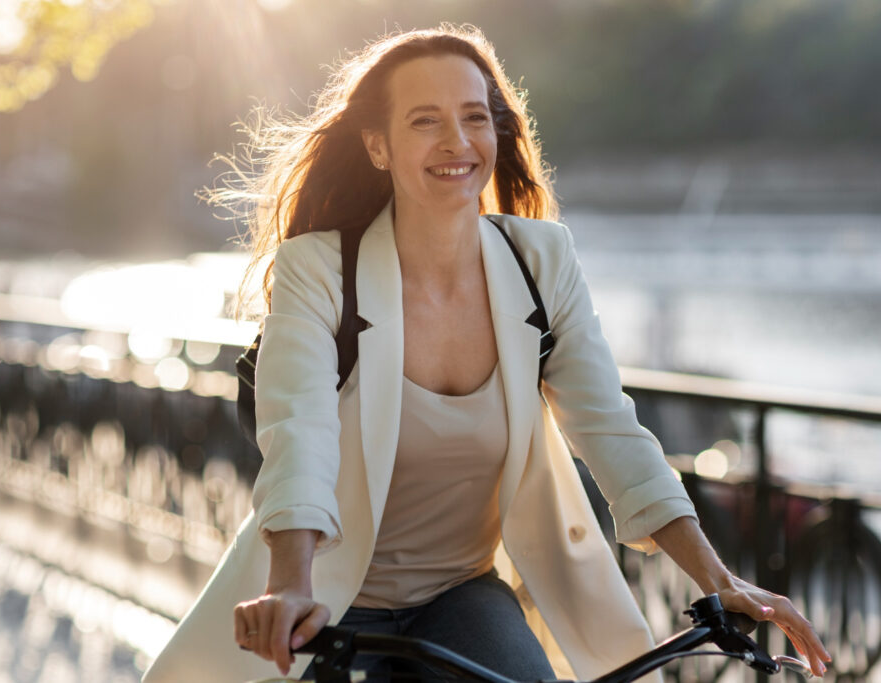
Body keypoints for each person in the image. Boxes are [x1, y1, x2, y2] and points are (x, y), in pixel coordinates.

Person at [142, 24, 831, 683]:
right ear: (377, 146)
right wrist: (289, 587)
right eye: (424, 120)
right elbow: (300, 432)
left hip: (459, 591)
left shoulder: (540, 260)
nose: (457, 141)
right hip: (327, 595)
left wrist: (720, 579)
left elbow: (610, 428)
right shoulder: (320, 270)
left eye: (475, 117)